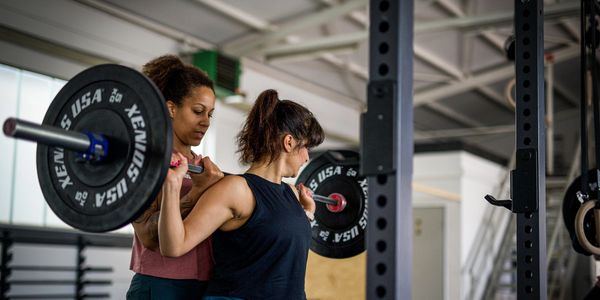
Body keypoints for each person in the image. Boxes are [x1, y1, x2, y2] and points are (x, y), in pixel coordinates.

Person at [158, 89, 324, 299]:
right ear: (289, 142)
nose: (308, 157)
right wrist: (171, 184)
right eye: (307, 147)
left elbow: (283, 250)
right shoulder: (236, 190)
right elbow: (175, 245)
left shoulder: (291, 194)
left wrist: (306, 214)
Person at [127, 55, 224, 300]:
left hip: (203, 286)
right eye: (198, 111)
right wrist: (197, 193)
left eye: (210, 115)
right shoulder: (145, 161)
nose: (205, 122)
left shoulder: (203, 167)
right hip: (160, 285)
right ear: (171, 108)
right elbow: (149, 236)